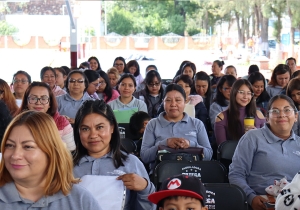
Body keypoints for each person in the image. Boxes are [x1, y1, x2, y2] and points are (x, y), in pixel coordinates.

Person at [0, 111, 101, 209]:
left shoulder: (80, 200)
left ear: (51, 152)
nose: (15, 155)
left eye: (28, 146)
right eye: (10, 145)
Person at [73, 100, 156, 210]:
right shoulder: (65, 165)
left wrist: (145, 188)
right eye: (85, 129)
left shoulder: (131, 162)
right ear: (78, 131)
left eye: (100, 127)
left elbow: (148, 208)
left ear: (112, 127)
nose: (93, 135)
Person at [229, 95, 300, 210]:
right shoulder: (252, 138)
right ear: (267, 117)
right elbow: (236, 174)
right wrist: (251, 197)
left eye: (287, 110)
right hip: (262, 202)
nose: (282, 115)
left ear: (296, 116)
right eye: (275, 111)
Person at [140, 84, 213, 173]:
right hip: (162, 175)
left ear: (185, 102)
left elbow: (209, 155)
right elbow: (144, 156)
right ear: (163, 102)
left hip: (192, 173)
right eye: (168, 100)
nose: (173, 104)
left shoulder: (197, 124)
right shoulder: (153, 124)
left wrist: (191, 144)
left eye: (178, 100)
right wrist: (164, 144)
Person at [18, 82, 76, 151]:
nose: (38, 102)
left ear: (50, 103)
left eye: (44, 98)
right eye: (33, 98)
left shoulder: (62, 122)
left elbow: (70, 151)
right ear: (26, 102)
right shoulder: (18, 122)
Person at [214, 79, 265, 145]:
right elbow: (223, 148)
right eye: (241, 92)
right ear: (234, 93)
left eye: (249, 93)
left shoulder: (258, 115)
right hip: (233, 154)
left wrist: (255, 135)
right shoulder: (221, 117)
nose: (245, 97)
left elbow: (265, 144)